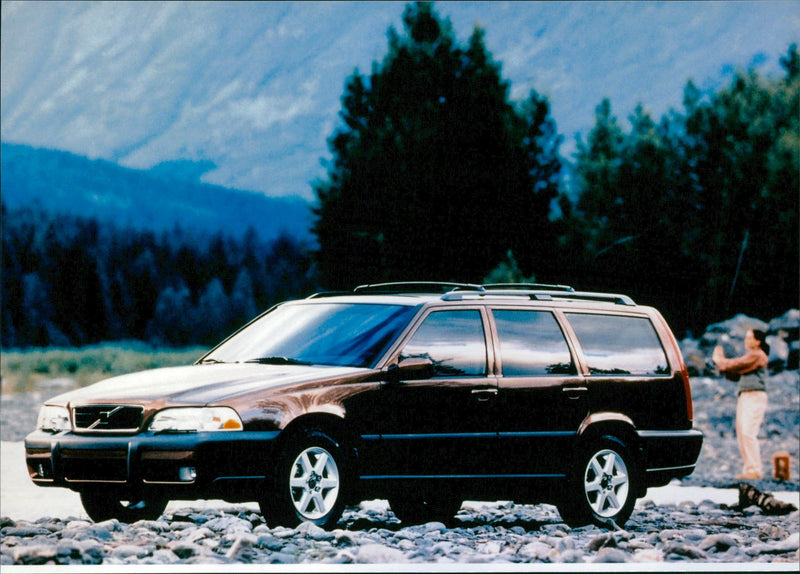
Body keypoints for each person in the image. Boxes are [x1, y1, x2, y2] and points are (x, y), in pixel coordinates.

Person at [712, 329, 770, 480]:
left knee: (748, 432)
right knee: (742, 433)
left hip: (754, 395)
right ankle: (750, 468)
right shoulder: (751, 357)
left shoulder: (757, 355)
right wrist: (722, 367)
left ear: (758, 341)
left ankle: (754, 469)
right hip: (745, 395)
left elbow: (735, 364)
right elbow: (736, 373)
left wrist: (719, 359)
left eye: (749, 338)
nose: (746, 341)